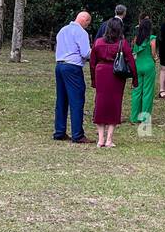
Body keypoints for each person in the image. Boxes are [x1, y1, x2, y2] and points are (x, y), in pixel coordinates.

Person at [89, 17, 138, 148]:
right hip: (116, 74)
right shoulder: (122, 43)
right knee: (115, 104)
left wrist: (93, 79)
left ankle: (100, 139)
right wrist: (135, 78)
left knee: (100, 103)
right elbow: (131, 61)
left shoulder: (98, 42)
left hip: (101, 73)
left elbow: (92, 63)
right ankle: (109, 139)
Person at [53, 11, 92, 144]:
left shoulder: (62, 30)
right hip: (73, 67)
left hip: (59, 65)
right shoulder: (81, 32)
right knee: (76, 100)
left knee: (61, 100)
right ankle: (77, 134)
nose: (87, 26)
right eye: (88, 23)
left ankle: (59, 131)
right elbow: (86, 53)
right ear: (84, 20)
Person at [129, 14, 158, 124]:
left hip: (138, 65)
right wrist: (155, 58)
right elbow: (153, 53)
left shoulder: (136, 39)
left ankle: (134, 117)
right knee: (148, 92)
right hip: (149, 65)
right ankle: (144, 118)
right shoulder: (152, 38)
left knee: (137, 91)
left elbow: (134, 51)